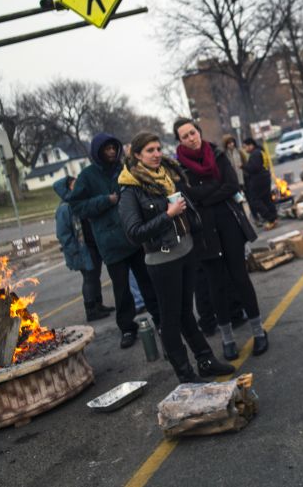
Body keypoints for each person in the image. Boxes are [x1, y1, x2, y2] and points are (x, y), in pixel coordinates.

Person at [118, 132, 235, 383]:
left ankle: (205, 360)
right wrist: (168, 215)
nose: (157, 154)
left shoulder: (168, 175)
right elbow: (134, 234)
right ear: (137, 155)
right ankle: (185, 373)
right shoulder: (130, 190)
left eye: (158, 148)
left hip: (187, 252)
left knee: (186, 313)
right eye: (149, 150)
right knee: (171, 319)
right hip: (162, 261)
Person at [173, 118, 269, 360]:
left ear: (199, 132)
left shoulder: (216, 154)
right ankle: (228, 340)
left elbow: (231, 185)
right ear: (179, 141)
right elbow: (186, 196)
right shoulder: (179, 168)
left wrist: (202, 196)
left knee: (240, 278)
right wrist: (209, 192)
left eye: (192, 132)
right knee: (216, 285)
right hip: (203, 233)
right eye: (184, 136)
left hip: (229, 224)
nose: (190, 138)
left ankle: (259, 332)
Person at [69, 133, 161, 348]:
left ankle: (160, 320)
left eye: (113, 148)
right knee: (121, 291)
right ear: (97, 152)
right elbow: (76, 206)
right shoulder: (87, 176)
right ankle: (127, 329)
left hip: (135, 238)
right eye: (106, 149)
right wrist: (105, 200)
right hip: (110, 244)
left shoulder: (124, 169)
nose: (111, 152)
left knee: (148, 283)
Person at [54, 176, 113, 322]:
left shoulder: (80, 201)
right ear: (67, 187)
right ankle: (91, 310)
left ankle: (99, 305)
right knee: (89, 278)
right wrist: (74, 250)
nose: (79, 185)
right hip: (82, 249)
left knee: (95, 276)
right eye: (74, 183)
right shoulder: (64, 208)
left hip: (92, 246)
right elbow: (63, 234)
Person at [242, 138, 278, 231]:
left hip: (259, 180)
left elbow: (254, 168)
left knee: (255, 201)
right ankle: (273, 218)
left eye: (245, 147)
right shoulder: (260, 151)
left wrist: (243, 166)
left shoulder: (255, 154)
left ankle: (270, 218)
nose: (245, 149)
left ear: (251, 145)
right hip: (265, 177)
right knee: (267, 199)